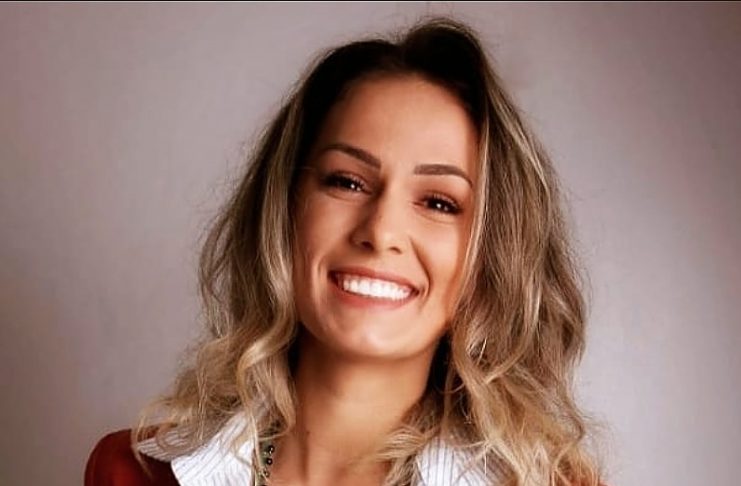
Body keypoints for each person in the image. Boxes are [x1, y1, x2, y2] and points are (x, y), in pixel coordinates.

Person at [85, 16, 603, 486]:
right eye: (347, 182)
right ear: (285, 207)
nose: (381, 231)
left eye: (439, 202)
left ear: (492, 252)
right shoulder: (130, 472)